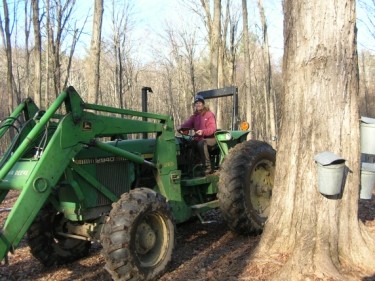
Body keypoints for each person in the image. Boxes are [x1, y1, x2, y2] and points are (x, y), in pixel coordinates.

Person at [177, 95, 217, 175]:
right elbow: (187, 124)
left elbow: (213, 129)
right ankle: (189, 167)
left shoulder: (209, 114)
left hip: (211, 139)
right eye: (196, 103)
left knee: (202, 143)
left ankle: (207, 167)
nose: (198, 104)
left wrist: (203, 132)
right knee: (186, 143)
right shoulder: (194, 117)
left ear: (203, 104)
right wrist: (181, 127)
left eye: (199, 103)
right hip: (199, 138)